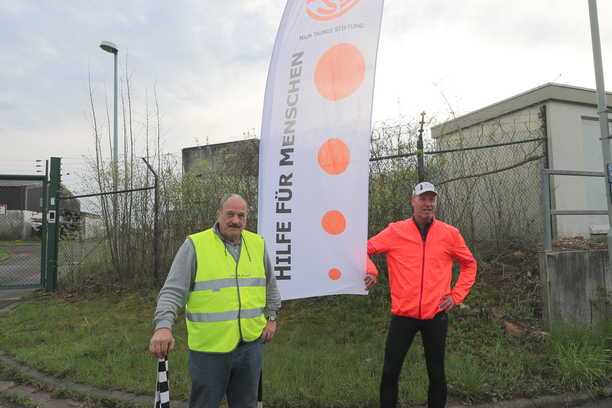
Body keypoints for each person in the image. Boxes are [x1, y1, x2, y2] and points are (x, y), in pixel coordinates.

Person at [149, 193, 281, 408]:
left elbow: (270, 285)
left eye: (241, 215)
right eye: (230, 214)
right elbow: (172, 291)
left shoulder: (257, 244)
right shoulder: (195, 245)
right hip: (209, 351)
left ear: (247, 218)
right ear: (219, 214)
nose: (235, 220)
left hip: (250, 346)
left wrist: (272, 317)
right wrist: (163, 326)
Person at [364, 181, 477, 408]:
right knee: (390, 371)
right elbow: (364, 249)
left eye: (431, 199)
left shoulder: (450, 234)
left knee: (437, 373)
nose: (428, 203)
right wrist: (371, 271)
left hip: (435, 315)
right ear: (412, 202)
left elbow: (469, 264)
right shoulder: (395, 231)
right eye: (423, 198)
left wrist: (456, 296)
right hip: (403, 315)